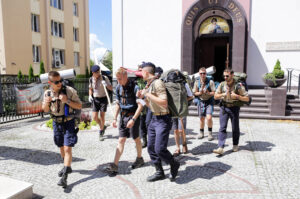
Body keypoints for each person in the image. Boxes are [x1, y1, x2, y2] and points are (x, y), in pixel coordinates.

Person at [137, 62, 180, 182]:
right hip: (154, 119)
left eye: (141, 72)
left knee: (160, 149)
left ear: (146, 72)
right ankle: (159, 171)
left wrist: (148, 94)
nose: (141, 74)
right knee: (150, 147)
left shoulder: (158, 83)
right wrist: (143, 97)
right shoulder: (149, 84)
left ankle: (174, 163)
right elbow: (151, 105)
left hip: (163, 119)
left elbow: (164, 102)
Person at [42, 71, 82, 188]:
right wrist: (46, 103)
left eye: (60, 80)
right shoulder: (47, 93)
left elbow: (79, 105)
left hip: (68, 122)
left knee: (67, 147)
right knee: (60, 146)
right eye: (56, 82)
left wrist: (67, 101)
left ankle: (64, 177)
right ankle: (67, 166)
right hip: (56, 123)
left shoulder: (69, 91)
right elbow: (44, 110)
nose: (60, 83)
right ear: (50, 82)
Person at [105, 68, 145, 174]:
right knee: (121, 140)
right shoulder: (118, 87)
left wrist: (133, 119)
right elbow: (118, 104)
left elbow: (141, 105)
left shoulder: (135, 88)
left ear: (126, 76)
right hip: (123, 117)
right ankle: (115, 165)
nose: (118, 81)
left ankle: (139, 158)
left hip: (133, 117)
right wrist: (114, 118)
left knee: (136, 139)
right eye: (117, 79)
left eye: (120, 79)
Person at [213, 68, 249, 155]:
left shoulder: (238, 86)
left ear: (232, 75)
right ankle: (220, 147)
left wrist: (237, 97)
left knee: (235, 128)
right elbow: (215, 96)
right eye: (224, 76)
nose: (225, 77)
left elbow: (247, 98)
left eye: (227, 76)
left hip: (234, 108)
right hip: (224, 108)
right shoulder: (222, 85)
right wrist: (222, 94)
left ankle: (235, 144)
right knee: (222, 128)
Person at [89, 65, 113, 141]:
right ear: (93, 73)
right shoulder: (90, 79)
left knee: (102, 117)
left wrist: (106, 84)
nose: (99, 73)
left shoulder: (104, 78)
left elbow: (111, 88)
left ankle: (101, 132)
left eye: (99, 71)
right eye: (97, 72)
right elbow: (90, 88)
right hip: (95, 99)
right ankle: (102, 126)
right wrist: (90, 95)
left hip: (103, 98)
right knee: (95, 117)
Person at [172, 78, 194, 157]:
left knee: (181, 130)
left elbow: (191, 96)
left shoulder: (184, 84)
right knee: (175, 130)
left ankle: (184, 144)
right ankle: (177, 148)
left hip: (182, 109)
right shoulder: (170, 85)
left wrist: (182, 100)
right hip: (173, 109)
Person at [193, 67, 216, 141]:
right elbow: (195, 92)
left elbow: (214, 92)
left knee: (209, 118)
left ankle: (210, 133)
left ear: (206, 74)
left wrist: (208, 93)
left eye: (204, 73)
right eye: (201, 73)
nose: (202, 75)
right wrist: (200, 93)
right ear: (199, 74)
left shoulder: (210, 82)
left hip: (209, 101)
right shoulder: (197, 82)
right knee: (202, 118)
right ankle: (201, 132)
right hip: (201, 101)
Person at [136, 63, 148, 148]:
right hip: (139, 104)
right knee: (142, 124)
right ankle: (144, 140)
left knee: (149, 123)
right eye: (139, 69)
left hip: (148, 103)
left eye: (142, 69)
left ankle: (151, 140)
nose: (140, 71)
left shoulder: (148, 79)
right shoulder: (135, 80)